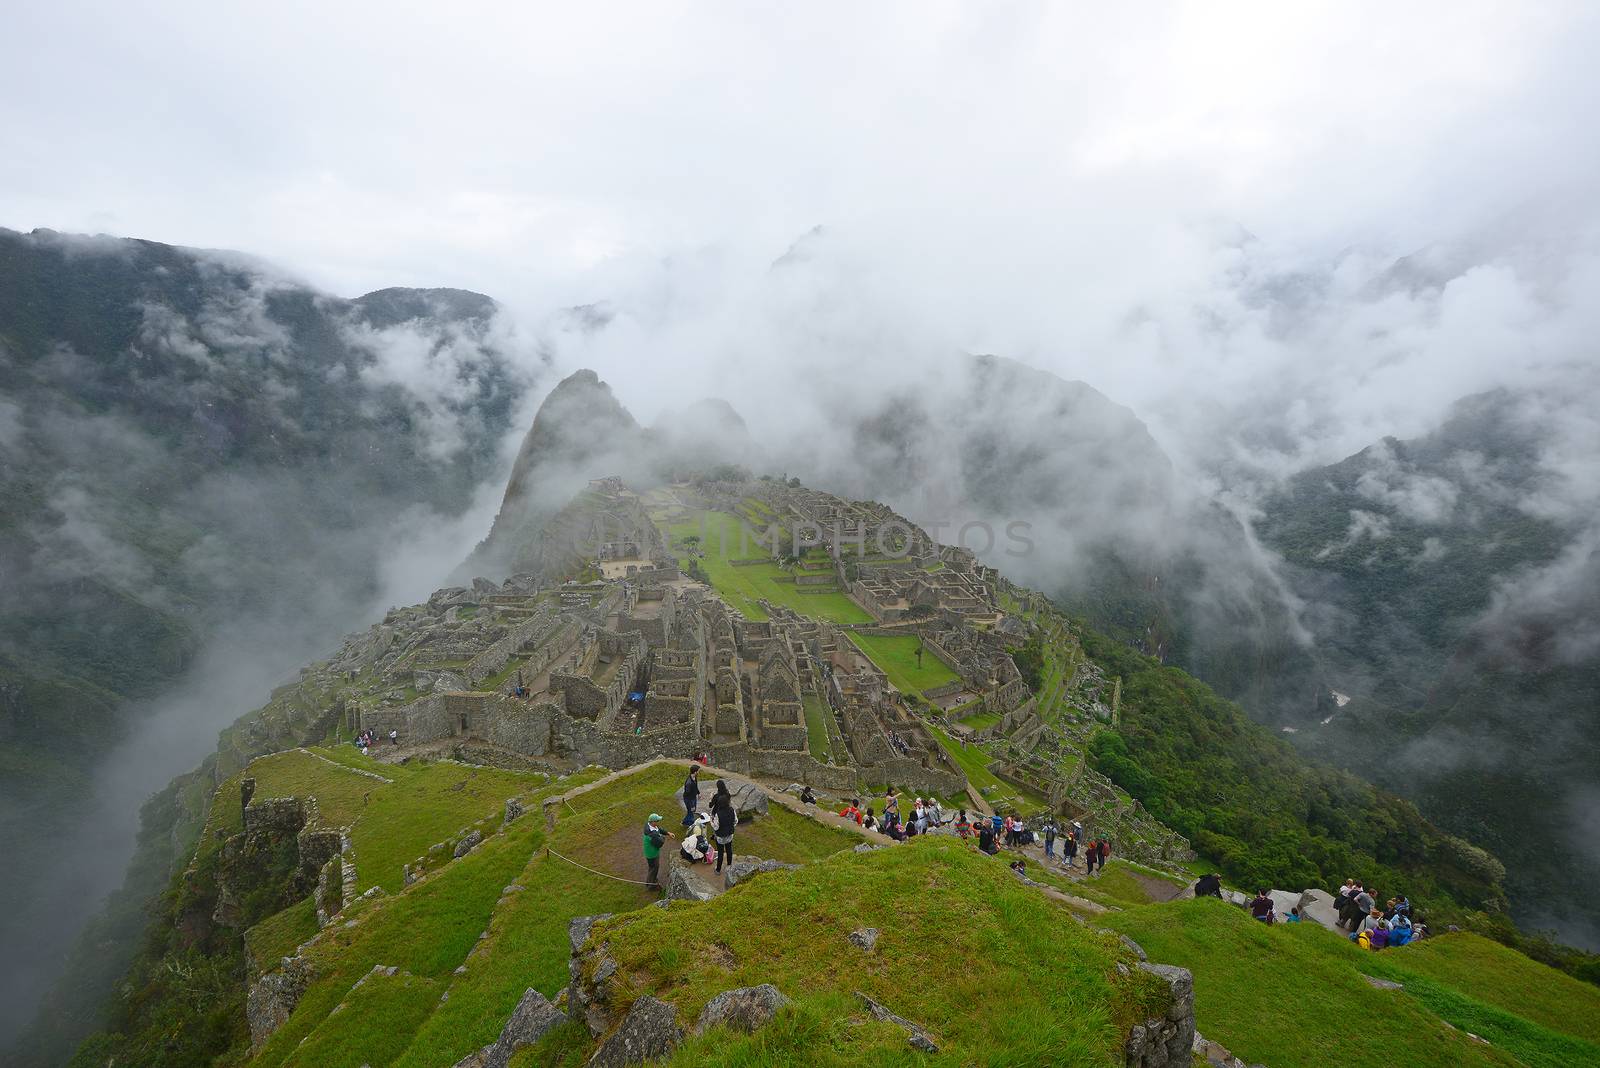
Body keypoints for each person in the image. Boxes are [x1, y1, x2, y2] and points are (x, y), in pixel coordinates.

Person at [711, 780, 737, 875]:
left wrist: (711, 821)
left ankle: (718, 870)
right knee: (729, 850)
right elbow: (735, 821)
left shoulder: (718, 814)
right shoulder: (732, 810)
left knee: (721, 852)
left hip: (721, 837)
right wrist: (730, 826)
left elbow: (716, 827)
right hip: (730, 834)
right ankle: (729, 865)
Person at [643, 813, 673, 889]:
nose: (658, 822)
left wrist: (667, 833)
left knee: (652, 868)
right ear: (652, 822)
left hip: (650, 852)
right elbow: (660, 843)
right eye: (657, 821)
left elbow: (659, 829)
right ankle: (651, 885)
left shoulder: (650, 826)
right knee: (654, 868)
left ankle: (650, 881)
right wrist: (663, 837)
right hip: (652, 854)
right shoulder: (652, 834)